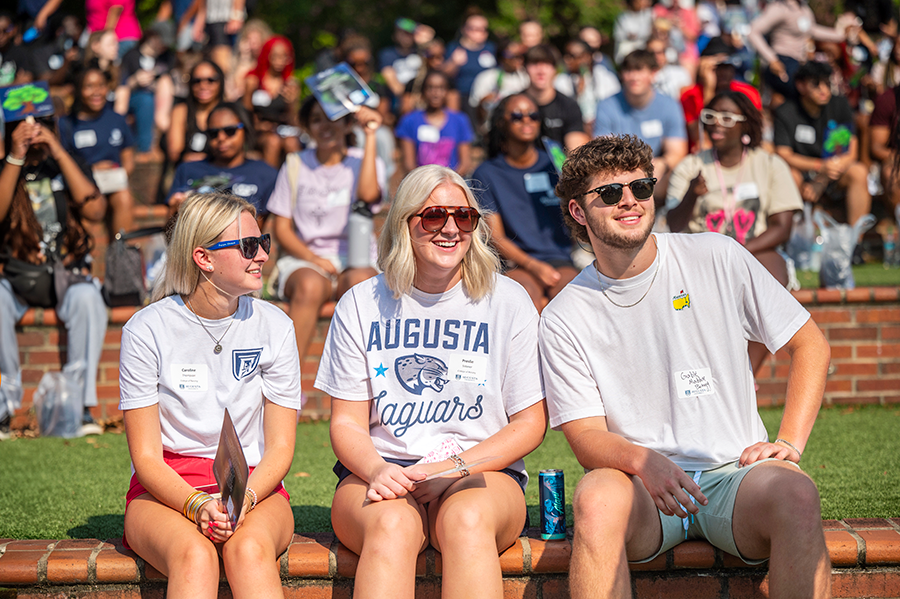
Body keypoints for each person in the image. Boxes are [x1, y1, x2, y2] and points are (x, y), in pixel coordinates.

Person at [542, 134, 832, 599]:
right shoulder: (563, 314)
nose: (630, 202)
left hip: (736, 474)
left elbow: (810, 344)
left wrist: (788, 442)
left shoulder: (717, 254)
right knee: (596, 498)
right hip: (643, 488)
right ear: (579, 211)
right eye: (611, 193)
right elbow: (585, 437)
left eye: (641, 187)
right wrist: (645, 463)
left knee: (797, 494)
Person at [315, 164, 547, 599]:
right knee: (392, 524)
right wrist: (379, 471)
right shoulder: (361, 303)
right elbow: (346, 424)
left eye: (464, 217)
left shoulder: (508, 299)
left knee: (467, 520)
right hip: (382, 470)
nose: (450, 229)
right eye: (434, 216)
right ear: (405, 222)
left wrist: (451, 470)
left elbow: (530, 423)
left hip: (479, 470)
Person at [119, 192, 301, 597]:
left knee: (250, 550)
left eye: (264, 243)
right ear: (204, 258)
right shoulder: (146, 330)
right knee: (194, 555)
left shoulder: (276, 325)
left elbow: (282, 447)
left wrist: (245, 499)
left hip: (255, 484)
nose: (262, 256)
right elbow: (146, 457)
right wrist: (197, 505)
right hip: (165, 488)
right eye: (248, 246)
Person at [667, 91, 802, 374]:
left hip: (754, 251)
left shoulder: (768, 164)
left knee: (773, 276)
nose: (717, 124)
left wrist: (737, 252)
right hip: (699, 258)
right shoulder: (692, 166)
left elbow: (782, 226)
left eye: (727, 118)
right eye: (711, 117)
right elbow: (673, 226)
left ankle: (746, 377)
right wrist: (692, 195)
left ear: (745, 125)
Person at [267, 97, 384, 399]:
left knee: (362, 284)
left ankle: (370, 391)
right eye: (317, 119)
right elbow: (281, 228)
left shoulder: (365, 161)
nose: (326, 125)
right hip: (305, 259)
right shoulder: (295, 164)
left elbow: (369, 197)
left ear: (347, 124)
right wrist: (314, 258)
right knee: (309, 285)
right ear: (307, 126)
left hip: (355, 258)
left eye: (333, 118)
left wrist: (370, 133)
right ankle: (285, 390)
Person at [0, 114, 107, 439]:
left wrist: (57, 151)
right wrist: (15, 154)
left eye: (42, 121)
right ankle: (4, 407)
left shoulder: (67, 163)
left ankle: (81, 406)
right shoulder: (6, 166)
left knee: (89, 298)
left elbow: (95, 211)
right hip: (18, 277)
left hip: (66, 275)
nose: (33, 128)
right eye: (23, 123)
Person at [471, 93, 578, 311]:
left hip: (558, 257)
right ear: (502, 122)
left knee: (570, 300)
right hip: (515, 262)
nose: (527, 120)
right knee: (526, 300)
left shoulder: (556, 163)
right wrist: (533, 266)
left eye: (533, 115)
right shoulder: (486, 173)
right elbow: (496, 237)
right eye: (517, 116)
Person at [773, 60, 871, 226]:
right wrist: (819, 166)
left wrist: (823, 177)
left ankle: (856, 242)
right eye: (816, 85)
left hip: (834, 171)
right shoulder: (786, 111)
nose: (824, 90)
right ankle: (788, 235)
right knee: (789, 176)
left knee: (859, 172)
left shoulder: (839, 104)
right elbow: (783, 154)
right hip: (802, 172)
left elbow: (850, 152)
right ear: (800, 86)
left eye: (827, 84)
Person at [593, 50, 688, 205]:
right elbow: (602, 151)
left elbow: (677, 151)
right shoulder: (606, 106)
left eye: (639, 70)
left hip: (656, 175)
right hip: (618, 173)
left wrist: (661, 164)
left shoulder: (669, 105)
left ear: (653, 73)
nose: (634, 77)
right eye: (629, 71)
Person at [59, 66, 136, 236]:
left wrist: (118, 173)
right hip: (84, 183)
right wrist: (92, 171)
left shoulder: (117, 119)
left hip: (114, 181)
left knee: (124, 196)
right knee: (89, 212)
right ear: (79, 90)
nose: (96, 92)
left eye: (101, 85)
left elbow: (128, 158)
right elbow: (63, 162)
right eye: (89, 86)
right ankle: (85, 257)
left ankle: (123, 254)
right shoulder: (66, 124)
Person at [167, 102, 276, 219]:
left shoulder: (266, 174)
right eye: (213, 133)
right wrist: (175, 210)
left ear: (246, 129)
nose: (221, 138)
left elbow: (263, 228)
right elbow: (169, 230)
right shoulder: (187, 169)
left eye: (230, 131)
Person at [748, 0, 846, 102]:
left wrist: (841, 35)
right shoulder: (779, 8)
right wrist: (772, 59)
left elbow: (811, 30)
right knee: (803, 94)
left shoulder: (803, 8)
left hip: (799, 63)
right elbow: (753, 32)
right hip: (784, 62)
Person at [679, 36, 762, 152]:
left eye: (728, 65)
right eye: (717, 67)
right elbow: (700, 139)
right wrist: (709, 89)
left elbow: (755, 132)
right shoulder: (690, 95)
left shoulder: (748, 93)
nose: (724, 72)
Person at [396, 70, 474, 176]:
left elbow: (465, 163)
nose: (435, 93)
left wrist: (448, 182)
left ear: (447, 92)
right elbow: (408, 163)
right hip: (420, 183)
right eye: (430, 88)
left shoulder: (460, 121)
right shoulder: (409, 121)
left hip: (452, 182)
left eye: (441, 88)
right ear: (423, 91)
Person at [243, 35, 301, 169]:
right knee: (272, 141)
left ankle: (299, 183)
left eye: (285, 56)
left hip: (282, 131)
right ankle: (269, 182)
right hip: (257, 132)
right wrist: (259, 126)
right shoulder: (253, 81)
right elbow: (245, 112)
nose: (280, 61)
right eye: (275, 56)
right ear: (267, 55)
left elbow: (294, 122)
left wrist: (292, 102)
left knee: (291, 143)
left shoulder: (291, 84)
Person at [524, 44, 589, 152]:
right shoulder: (512, 105)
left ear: (555, 69)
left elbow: (576, 150)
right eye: (534, 64)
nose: (541, 71)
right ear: (525, 68)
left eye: (547, 64)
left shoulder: (569, 106)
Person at [554, 39, 621, 132]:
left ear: (587, 57)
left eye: (572, 56)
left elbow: (615, 106)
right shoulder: (561, 80)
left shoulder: (604, 76)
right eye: (566, 55)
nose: (567, 60)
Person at [168, 59, 225, 165]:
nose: (203, 86)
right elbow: (174, 153)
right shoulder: (180, 111)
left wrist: (205, 159)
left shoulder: (228, 112)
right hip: (189, 173)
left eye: (211, 80)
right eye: (197, 81)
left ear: (220, 82)